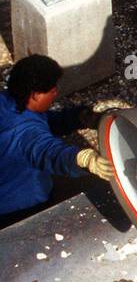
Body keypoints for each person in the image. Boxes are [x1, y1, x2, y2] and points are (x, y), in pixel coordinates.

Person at [0, 54, 113, 227]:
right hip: (20, 206)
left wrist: (76, 118)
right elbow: (49, 152)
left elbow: (37, 121)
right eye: (51, 89)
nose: (55, 92)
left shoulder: (7, 101)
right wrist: (83, 159)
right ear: (35, 95)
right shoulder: (27, 135)